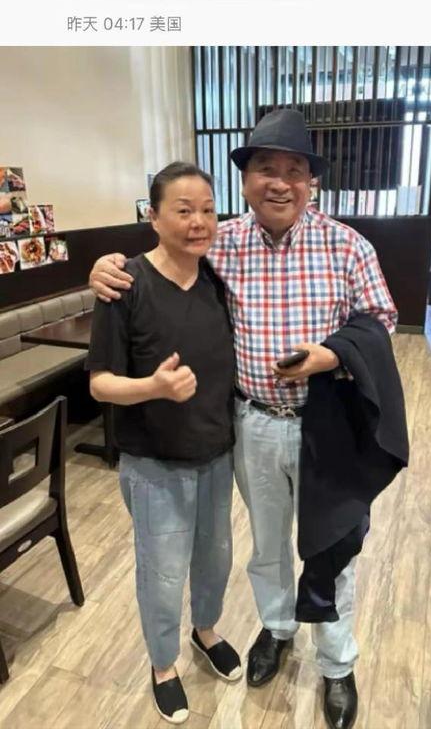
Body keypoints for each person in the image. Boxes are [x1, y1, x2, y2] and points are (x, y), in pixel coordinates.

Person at [90, 109, 398, 729]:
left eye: (294, 171)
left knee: (333, 548)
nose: (280, 183)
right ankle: (277, 630)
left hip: (326, 426)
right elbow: (159, 262)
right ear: (247, 180)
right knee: (266, 547)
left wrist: (331, 355)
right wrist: (101, 267)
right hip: (251, 424)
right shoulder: (221, 242)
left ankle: (337, 662)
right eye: (266, 169)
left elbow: (382, 322)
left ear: (312, 181)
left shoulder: (347, 245)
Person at [86, 162, 241, 725]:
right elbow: (100, 383)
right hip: (154, 463)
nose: (199, 222)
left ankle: (206, 630)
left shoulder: (218, 279)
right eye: (183, 210)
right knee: (163, 571)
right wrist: (153, 387)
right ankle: (162, 664)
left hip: (216, 452)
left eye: (208, 210)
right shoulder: (124, 283)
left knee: (215, 557)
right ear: (152, 217)